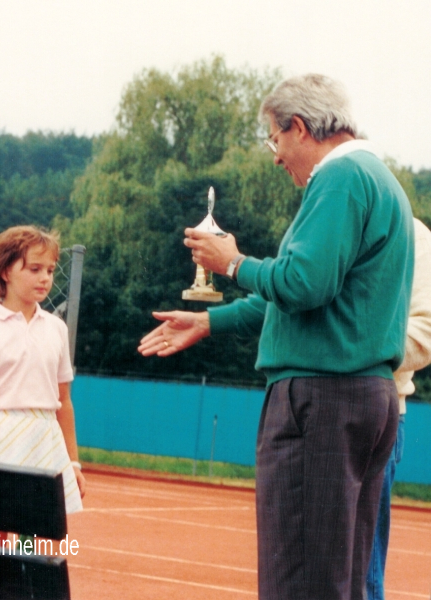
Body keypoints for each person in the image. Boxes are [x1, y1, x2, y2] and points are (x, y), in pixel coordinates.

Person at [138, 74, 414, 600]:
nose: (275, 155)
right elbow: (295, 290)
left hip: (321, 399)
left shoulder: (340, 179)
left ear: (301, 127)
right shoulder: (378, 180)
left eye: (275, 138)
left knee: (300, 579)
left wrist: (233, 262)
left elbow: (302, 283)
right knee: (339, 579)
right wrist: (208, 320)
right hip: (363, 396)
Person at [0, 225, 85, 543]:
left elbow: (63, 401)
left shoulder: (56, 329)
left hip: (43, 445)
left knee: (43, 554)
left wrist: (73, 460)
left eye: (50, 270)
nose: (45, 278)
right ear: (6, 271)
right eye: (34, 269)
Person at [367, 217, 431, 600]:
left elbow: (425, 332)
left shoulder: (414, 235)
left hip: (376, 414)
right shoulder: (325, 218)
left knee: (362, 566)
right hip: (314, 408)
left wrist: (353, 353)